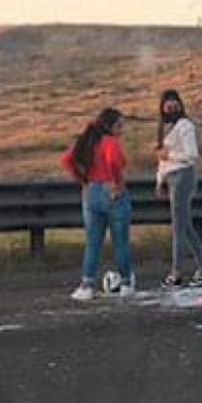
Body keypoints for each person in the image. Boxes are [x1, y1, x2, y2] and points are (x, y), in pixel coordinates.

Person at [60, 107, 134, 301]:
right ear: (110, 126)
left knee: (93, 242)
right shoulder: (110, 142)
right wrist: (117, 182)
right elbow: (113, 161)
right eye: (119, 126)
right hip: (111, 189)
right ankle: (125, 281)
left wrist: (83, 180)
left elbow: (67, 160)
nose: (121, 130)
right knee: (121, 242)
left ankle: (87, 284)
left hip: (91, 190)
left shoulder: (87, 142)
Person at [155, 89, 202, 288]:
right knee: (185, 224)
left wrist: (169, 156)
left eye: (174, 104)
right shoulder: (165, 128)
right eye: (167, 105)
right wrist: (160, 180)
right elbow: (161, 159)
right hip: (170, 176)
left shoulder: (185, 126)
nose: (171, 108)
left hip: (183, 175)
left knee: (178, 226)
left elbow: (191, 155)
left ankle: (176, 271)